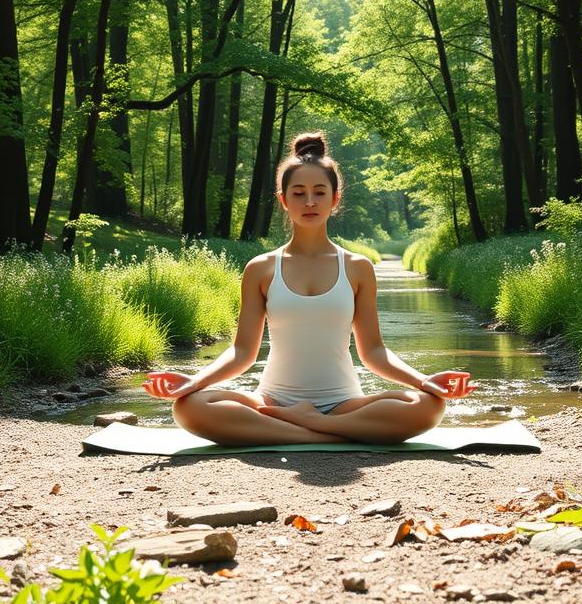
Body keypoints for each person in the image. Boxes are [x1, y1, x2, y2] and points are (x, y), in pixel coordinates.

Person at [141, 131, 477, 445]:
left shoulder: (358, 268)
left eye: (320, 192)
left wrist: (424, 381)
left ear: (335, 199)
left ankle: (308, 426)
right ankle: (329, 435)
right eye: (298, 194)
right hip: (272, 401)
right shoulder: (261, 268)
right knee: (188, 407)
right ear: (283, 200)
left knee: (428, 405)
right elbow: (242, 353)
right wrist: (193, 382)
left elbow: (373, 352)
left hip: (344, 403)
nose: (310, 202)